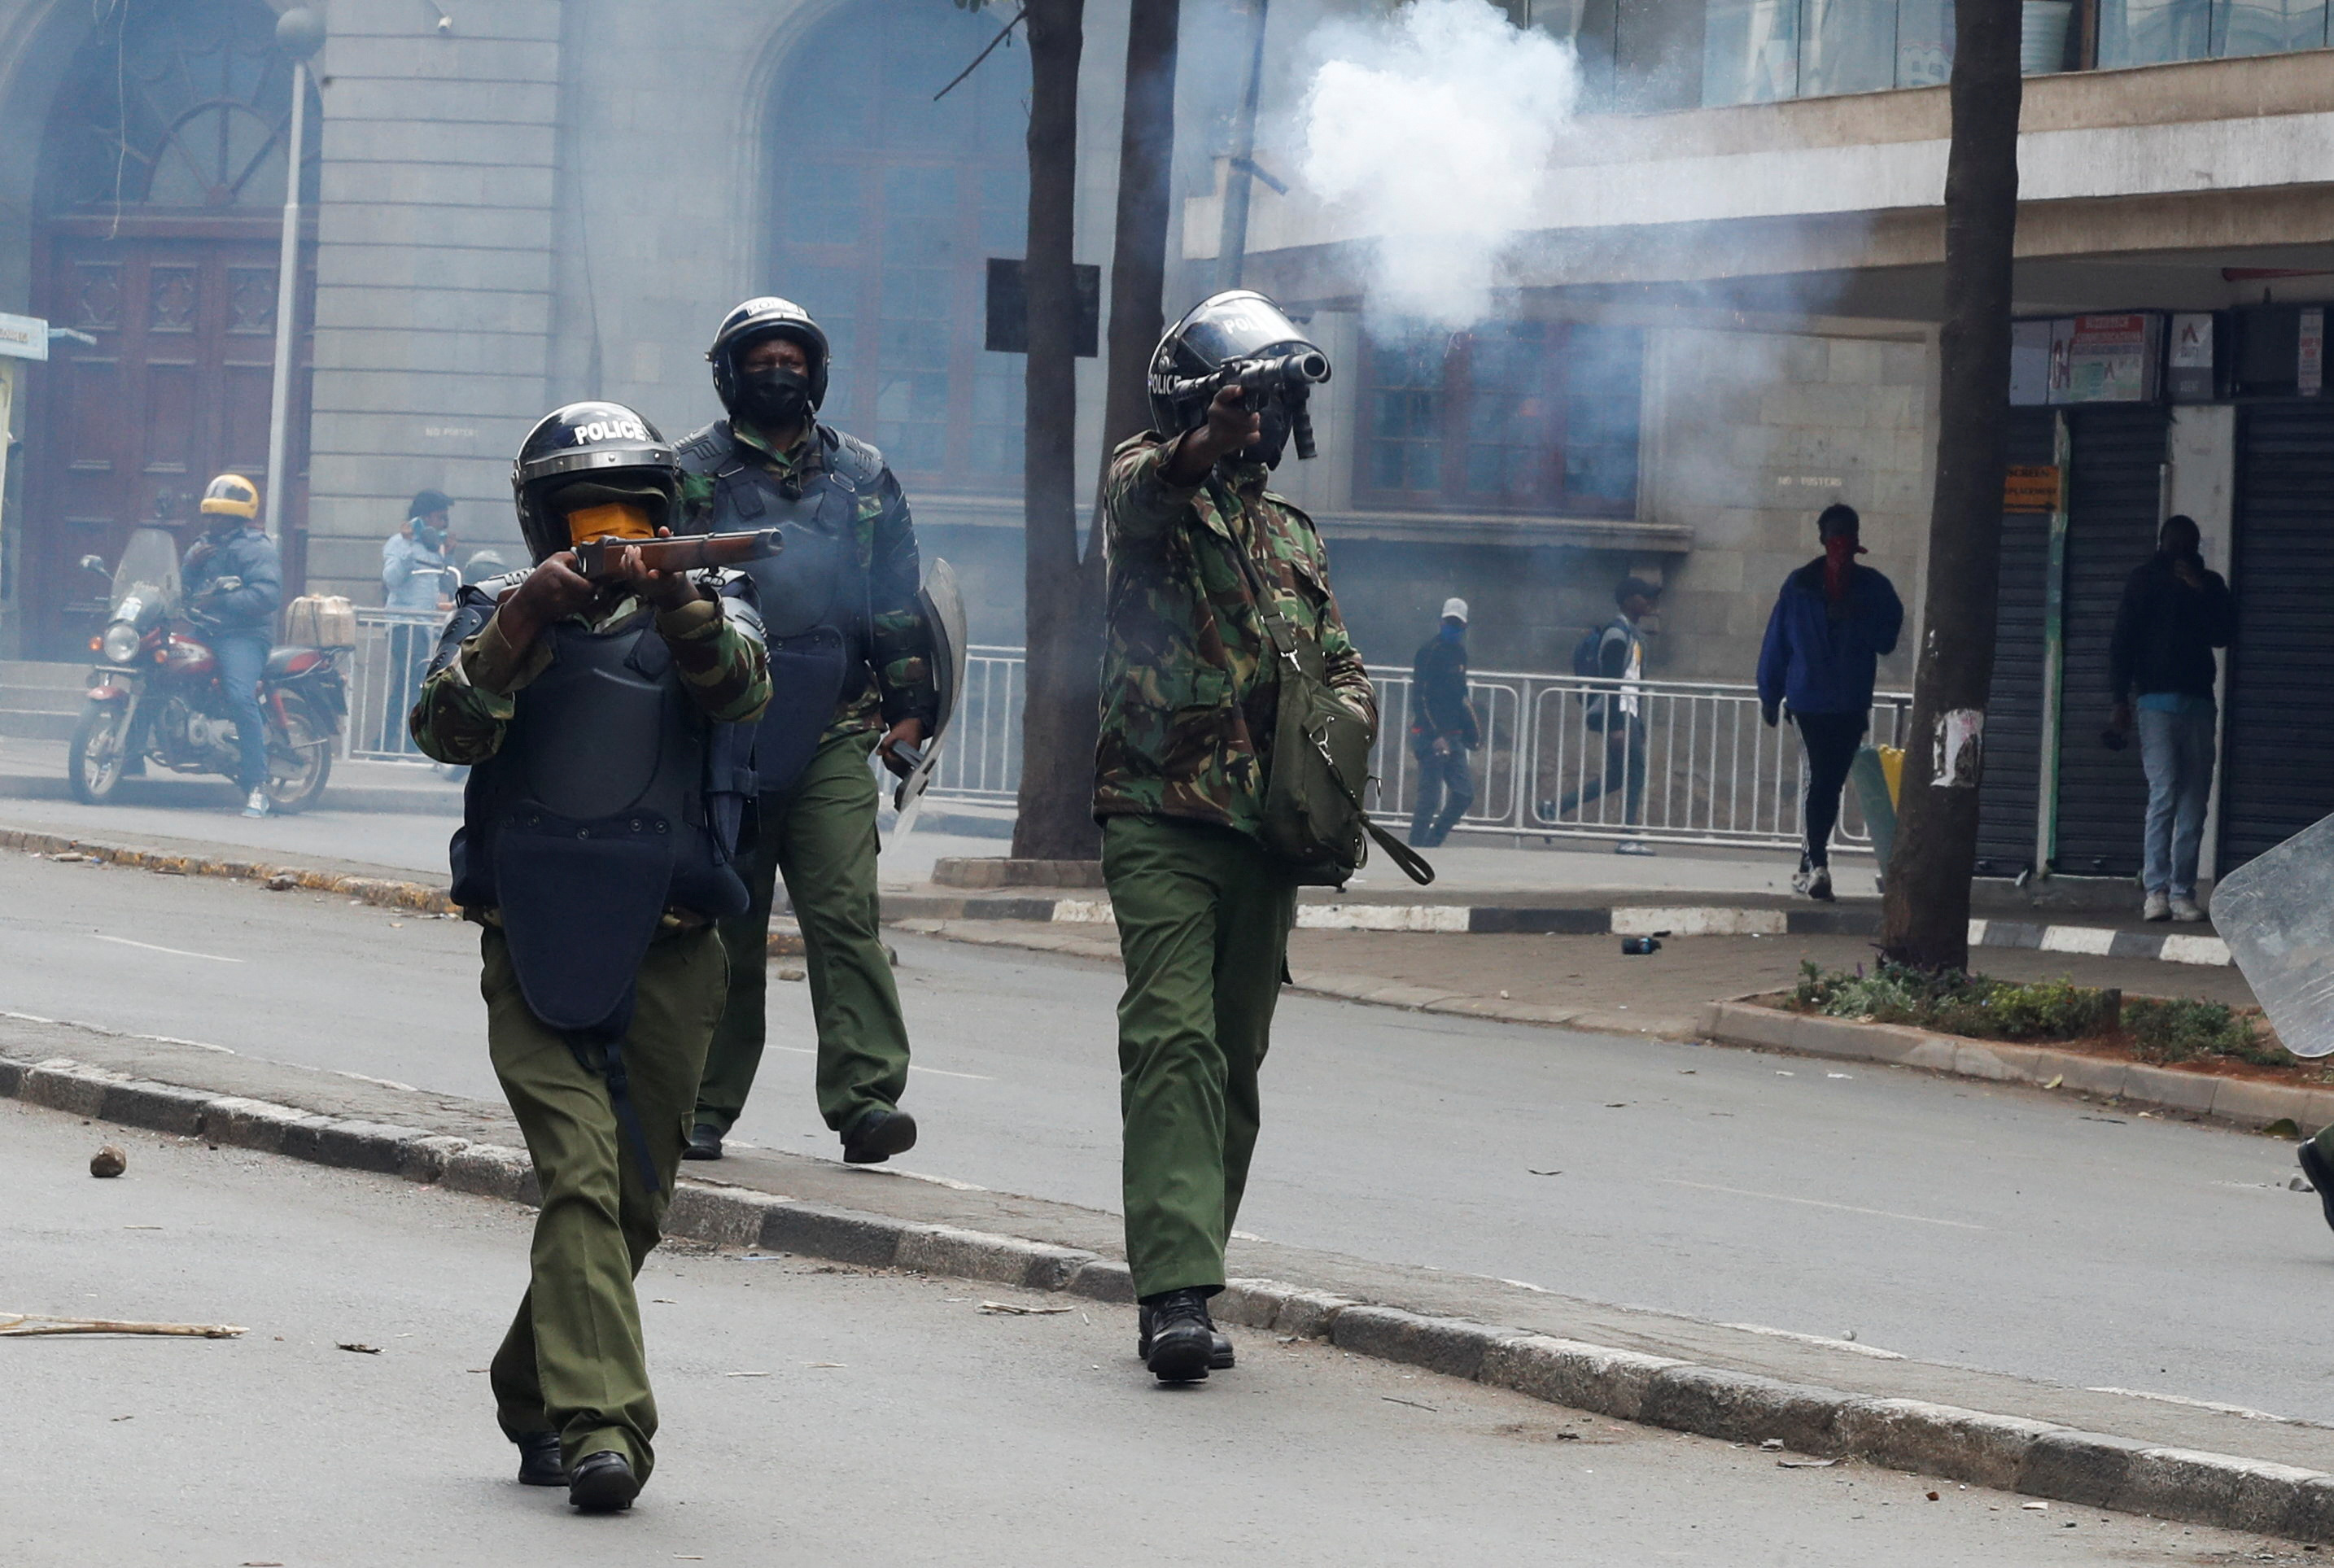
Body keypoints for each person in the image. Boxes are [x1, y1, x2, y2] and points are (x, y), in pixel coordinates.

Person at [409, 402, 770, 1513]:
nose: (606, 534)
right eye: (585, 516)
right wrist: (524, 620)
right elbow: (443, 727)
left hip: (671, 940)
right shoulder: (491, 616)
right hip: (538, 934)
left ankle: (533, 1383)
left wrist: (677, 599)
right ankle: (602, 1425)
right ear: (542, 522)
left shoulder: (717, 613)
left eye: (629, 516)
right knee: (578, 1169)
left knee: (634, 1205)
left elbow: (744, 692)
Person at [1098, 290, 1375, 1383]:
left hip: (1267, 828)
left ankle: (1194, 1262)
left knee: (1236, 1051)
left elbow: (1341, 661)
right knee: (1172, 1039)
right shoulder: (1144, 486)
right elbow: (1149, 494)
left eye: (1265, 403)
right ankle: (1171, 1289)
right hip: (1163, 809)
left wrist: (1336, 734)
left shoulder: (1296, 535)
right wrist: (1198, 442)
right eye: (1237, 400)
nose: (1253, 419)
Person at [672, 297, 937, 1167]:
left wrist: (911, 708)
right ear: (729, 374)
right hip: (723, 732)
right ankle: (702, 1103)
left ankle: (866, 1101)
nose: (778, 372)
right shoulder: (686, 474)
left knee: (843, 915)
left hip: (834, 726)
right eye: (761, 359)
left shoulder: (863, 478)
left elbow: (896, 600)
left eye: (793, 358)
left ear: (816, 374)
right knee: (727, 922)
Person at [1755, 502, 1904, 902]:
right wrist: (1770, 693)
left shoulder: (1872, 588)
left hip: (1849, 702)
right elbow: (1779, 642)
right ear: (1824, 539)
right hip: (1811, 703)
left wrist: (1856, 615)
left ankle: (1810, 864)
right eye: (1835, 534)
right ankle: (1816, 861)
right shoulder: (1800, 586)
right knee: (1819, 779)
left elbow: (1886, 639)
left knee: (1830, 783)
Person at [2109, 513, 2235, 923]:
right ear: (2163, 543)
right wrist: (2119, 700)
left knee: (2193, 802)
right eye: (2174, 543)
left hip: (2197, 701)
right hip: (2156, 702)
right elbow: (2123, 639)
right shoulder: (2144, 580)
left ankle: (2182, 892)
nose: (2180, 550)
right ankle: (2158, 891)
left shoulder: (2210, 584)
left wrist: (2200, 591)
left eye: (2187, 544)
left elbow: (2224, 633)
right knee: (2165, 794)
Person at [179, 474, 282, 819]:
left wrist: (222, 602)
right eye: (209, 516)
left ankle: (257, 786)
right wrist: (189, 569)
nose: (211, 522)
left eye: (219, 517)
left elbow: (267, 595)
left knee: (240, 695)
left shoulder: (257, 547)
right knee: (161, 671)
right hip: (204, 630)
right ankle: (132, 758)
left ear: (237, 518)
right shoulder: (202, 546)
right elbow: (183, 590)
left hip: (244, 636)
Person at [1544, 578, 1659, 856]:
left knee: (1619, 777)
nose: (1649, 602)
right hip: (1619, 714)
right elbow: (1610, 683)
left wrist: (1637, 722)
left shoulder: (1631, 634)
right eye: (1644, 597)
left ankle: (1555, 808)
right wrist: (1617, 726)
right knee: (1636, 772)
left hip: (1627, 713)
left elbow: (1632, 683)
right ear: (1628, 600)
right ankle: (1627, 837)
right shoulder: (1617, 635)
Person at [381, 489, 458, 753]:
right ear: (425, 518)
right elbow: (391, 579)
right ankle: (408, 745)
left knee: (405, 684)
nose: (443, 524)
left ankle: (386, 743)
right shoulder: (399, 543)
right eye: (440, 518)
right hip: (404, 623)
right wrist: (410, 545)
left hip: (426, 625)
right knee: (416, 679)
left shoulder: (435, 547)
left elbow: (446, 582)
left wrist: (448, 555)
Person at [1407, 596, 1479, 849]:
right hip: (1429, 734)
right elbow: (1420, 697)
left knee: (1463, 794)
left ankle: (1431, 843)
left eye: (1457, 624)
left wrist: (1471, 728)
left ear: (1464, 627)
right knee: (1429, 799)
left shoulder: (1461, 653)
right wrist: (1435, 734)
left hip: (1454, 735)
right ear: (1440, 622)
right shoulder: (1428, 652)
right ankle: (1414, 849)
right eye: (1449, 622)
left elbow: (1461, 696)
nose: (1453, 628)